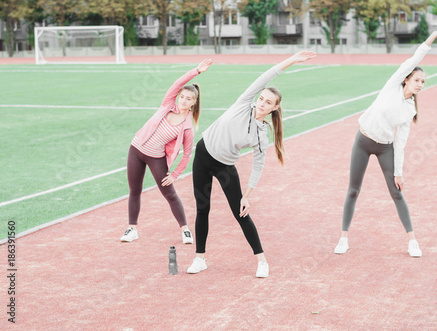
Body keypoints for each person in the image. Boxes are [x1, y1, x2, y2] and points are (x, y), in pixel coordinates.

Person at [186, 51, 316, 277]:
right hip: (203, 153)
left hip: (224, 167)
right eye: (262, 99)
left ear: (274, 108)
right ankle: (200, 259)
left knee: (240, 213)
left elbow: (258, 166)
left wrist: (247, 195)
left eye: (268, 103)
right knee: (202, 208)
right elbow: (267, 76)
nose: (262, 103)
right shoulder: (244, 102)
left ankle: (262, 261)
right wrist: (292, 60)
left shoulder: (261, 135)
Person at [334, 28, 437, 258]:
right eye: (417, 80)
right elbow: (416, 57)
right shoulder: (393, 84)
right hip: (363, 141)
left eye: (423, 82)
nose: (420, 84)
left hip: (385, 147)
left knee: (397, 192)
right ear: (407, 79)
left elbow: (401, 142)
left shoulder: (410, 109)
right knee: (353, 191)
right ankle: (343, 238)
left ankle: (412, 241)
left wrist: (398, 172)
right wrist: (433, 37)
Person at [120, 59, 213, 244]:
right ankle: (132, 228)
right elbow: (177, 84)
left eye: (188, 99)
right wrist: (196, 70)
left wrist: (176, 174)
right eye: (182, 97)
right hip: (136, 149)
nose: (183, 100)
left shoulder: (187, 127)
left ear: (193, 103)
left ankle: (185, 230)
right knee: (134, 190)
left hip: (156, 158)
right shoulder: (167, 104)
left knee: (170, 194)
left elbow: (187, 155)